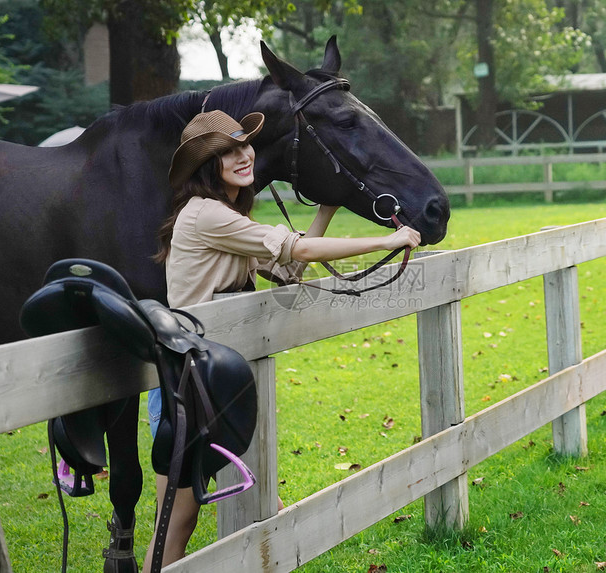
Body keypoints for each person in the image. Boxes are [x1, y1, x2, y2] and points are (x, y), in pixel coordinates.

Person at [142, 110, 421, 569]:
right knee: (177, 517)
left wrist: (326, 207)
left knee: (189, 515)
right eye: (226, 152)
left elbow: (288, 270)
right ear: (206, 167)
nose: (242, 155)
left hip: (214, 381)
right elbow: (300, 250)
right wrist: (384, 242)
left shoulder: (228, 216)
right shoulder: (207, 215)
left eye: (243, 146)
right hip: (185, 382)